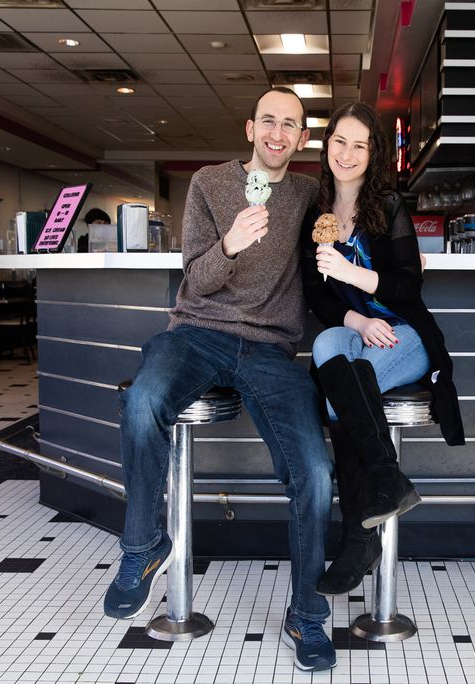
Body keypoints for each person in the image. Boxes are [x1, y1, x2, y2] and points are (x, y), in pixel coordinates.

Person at [102, 87, 337, 672]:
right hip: (197, 332)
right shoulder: (209, 182)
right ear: (250, 128)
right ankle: (143, 546)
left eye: (291, 126)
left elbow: (358, 211)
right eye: (269, 122)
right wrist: (231, 243)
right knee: (144, 402)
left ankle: (306, 613)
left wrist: (404, 252)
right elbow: (196, 280)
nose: (278, 134)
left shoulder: (309, 193)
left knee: (315, 470)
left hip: (270, 350)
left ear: (303, 139)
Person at [301, 103, 465, 595]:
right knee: (328, 343)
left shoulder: (389, 207)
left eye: (359, 145)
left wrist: (352, 274)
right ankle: (387, 482)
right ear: (326, 145)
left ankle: (357, 537)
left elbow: (408, 286)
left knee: (336, 396)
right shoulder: (316, 214)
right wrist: (358, 319)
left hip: (404, 334)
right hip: (360, 329)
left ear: (373, 154)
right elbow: (317, 296)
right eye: (339, 142)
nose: (346, 154)